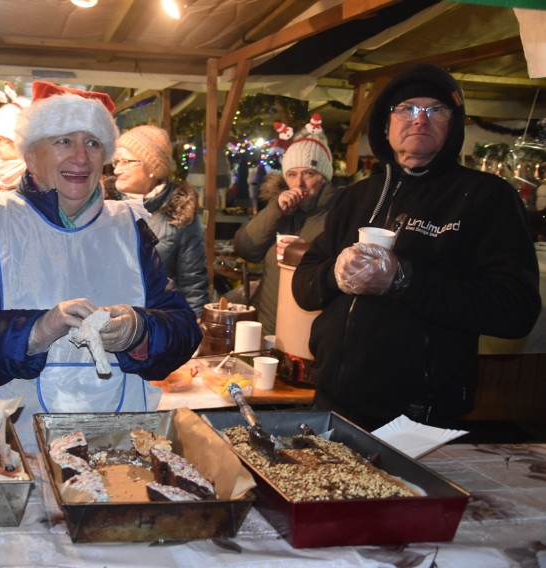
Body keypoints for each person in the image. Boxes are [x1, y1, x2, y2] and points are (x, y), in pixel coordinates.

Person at [0, 81, 201, 449]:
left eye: (93, 143)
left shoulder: (127, 225)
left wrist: (140, 332)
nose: (81, 158)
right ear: (31, 155)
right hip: (13, 453)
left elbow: (183, 329)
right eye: (64, 141)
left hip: (115, 452)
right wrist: (34, 331)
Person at [292, 64, 541, 431]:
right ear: (386, 123)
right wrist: (334, 273)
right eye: (406, 108)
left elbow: (515, 310)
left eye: (435, 110)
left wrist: (403, 280)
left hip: (419, 417)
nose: (419, 120)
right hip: (332, 403)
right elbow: (304, 287)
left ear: (454, 123)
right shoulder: (357, 197)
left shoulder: (485, 198)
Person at [232, 118, 341, 334]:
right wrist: (276, 210)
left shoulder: (339, 212)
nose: (299, 183)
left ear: (324, 177)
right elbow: (245, 248)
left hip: (311, 334)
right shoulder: (280, 210)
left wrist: (304, 251)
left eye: (308, 174)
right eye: (292, 174)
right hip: (269, 331)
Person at [107, 125, 210, 316]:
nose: (117, 170)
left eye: (126, 161)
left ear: (152, 167)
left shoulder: (180, 212)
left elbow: (192, 281)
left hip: (157, 325)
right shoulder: (102, 204)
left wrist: (195, 330)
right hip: (102, 321)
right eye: (115, 162)